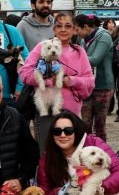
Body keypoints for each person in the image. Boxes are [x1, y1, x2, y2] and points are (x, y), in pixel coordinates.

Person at [18, 11, 94, 143]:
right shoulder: (42, 47)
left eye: (68, 26)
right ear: (54, 29)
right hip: (46, 111)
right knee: (47, 155)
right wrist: (48, 81)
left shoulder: (79, 52)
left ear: (75, 30)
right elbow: (25, 73)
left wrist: (70, 80)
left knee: (72, 155)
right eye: (59, 26)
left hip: (72, 112)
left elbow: (90, 82)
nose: (63, 29)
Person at [75, 14, 114, 141]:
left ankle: (102, 152)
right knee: (84, 123)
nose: (76, 33)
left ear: (86, 26)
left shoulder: (104, 36)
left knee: (99, 125)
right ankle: (86, 151)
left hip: (103, 86)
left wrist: (74, 58)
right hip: (86, 85)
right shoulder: (82, 39)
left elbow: (95, 59)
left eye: (77, 29)